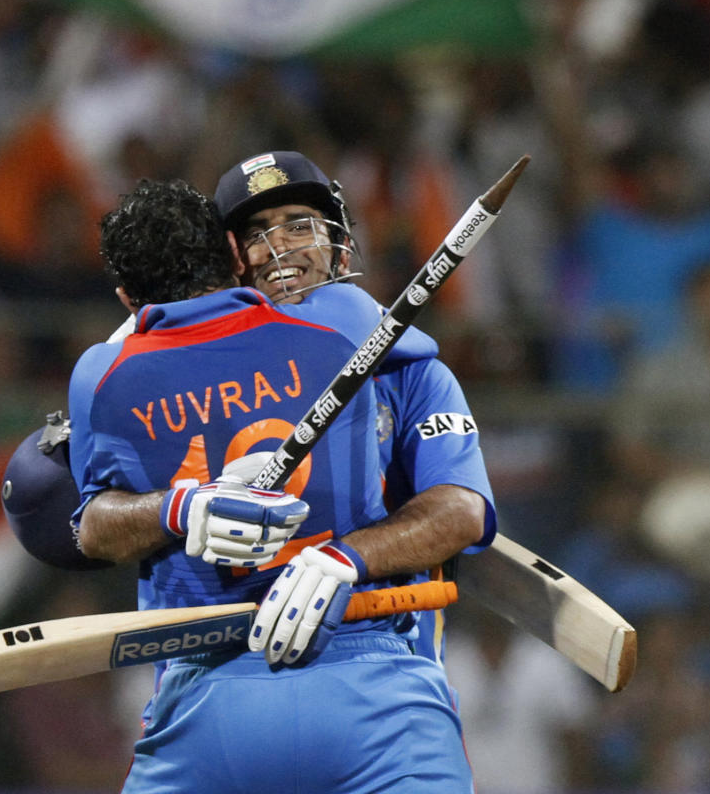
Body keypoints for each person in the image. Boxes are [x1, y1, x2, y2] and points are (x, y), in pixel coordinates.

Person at [65, 175, 495, 793]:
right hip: (224, 677)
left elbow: (460, 512)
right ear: (233, 257)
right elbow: (91, 522)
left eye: (299, 224)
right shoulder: (350, 332)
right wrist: (176, 506)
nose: (282, 249)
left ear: (337, 242)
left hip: (372, 668)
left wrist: (348, 557)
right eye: (257, 234)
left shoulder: (408, 368)